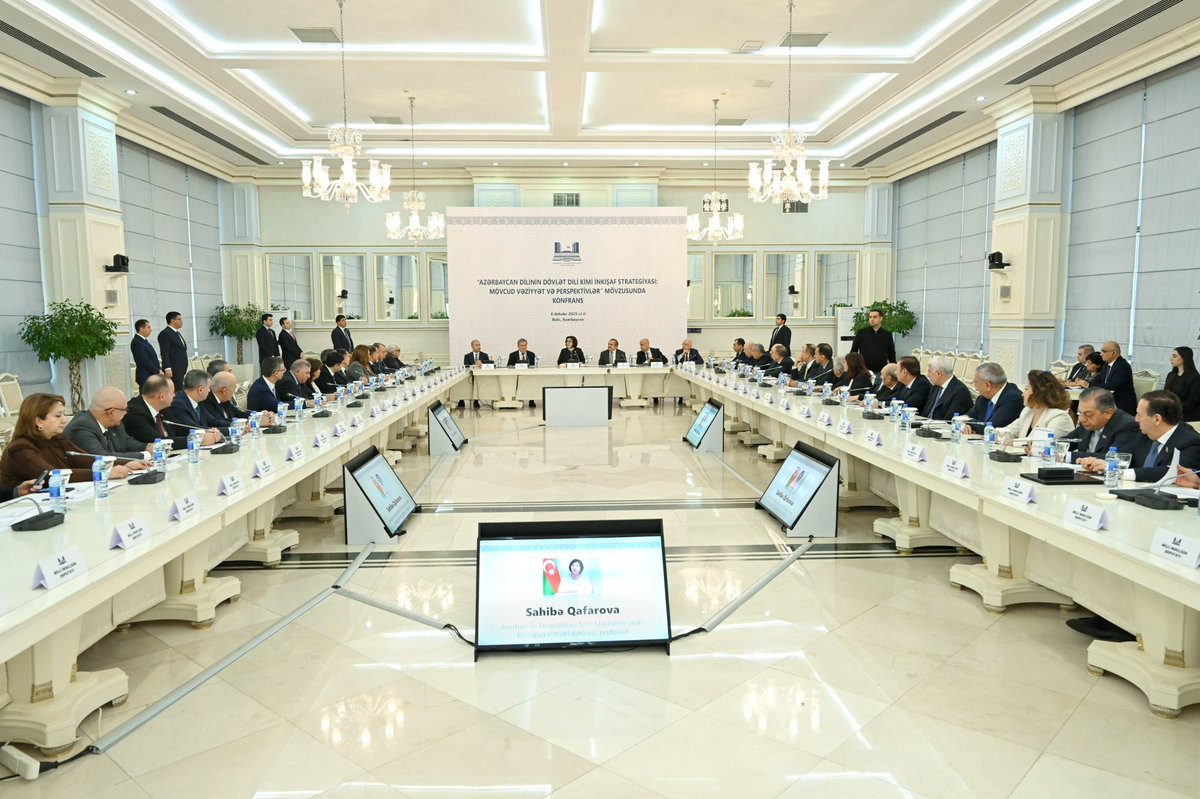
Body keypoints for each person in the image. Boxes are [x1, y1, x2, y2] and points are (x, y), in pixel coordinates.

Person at [0, 393, 135, 486]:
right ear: (38, 421)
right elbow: (52, 476)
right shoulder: (20, 449)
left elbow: (86, 459)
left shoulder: (57, 439)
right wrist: (102, 473)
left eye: (64, 414)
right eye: (58, 415)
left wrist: (127, 463)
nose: (64, 420)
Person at [1079, 391, 1200, 483]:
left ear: (1156, 419)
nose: (1136, 419)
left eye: (1139, 415)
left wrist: (1119, 472)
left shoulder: (1190, 442)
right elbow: (1122, 455)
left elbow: (1172, 472)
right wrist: (1098, 462)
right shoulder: (1144, 436)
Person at [63, 387, 151, 459]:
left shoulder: (114, 424)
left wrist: (148, 447)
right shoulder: (81, 428)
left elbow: (127, 442)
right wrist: (145, 455)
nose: (125, 413)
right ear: (111, 412)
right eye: (124, 410)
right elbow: (103, 458)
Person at [995, 371, 1075, 447]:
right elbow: (1009, 431)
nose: (1023, 394)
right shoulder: (1027, 411)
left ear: (1038, 393)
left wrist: (1013, 442)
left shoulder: (1060, 417)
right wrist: (993, 435)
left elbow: (1041, 442)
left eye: (1026, 389)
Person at [1063, 387, 1140, 461]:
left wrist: (1065, 456)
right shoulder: (1086, 422)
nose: (1081, 419)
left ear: (1108, 413)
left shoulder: (1127, 426)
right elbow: (1065, 442)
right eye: (1079, 413)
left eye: (1088, 414)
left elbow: (1113, 458)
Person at [164, 370, 227, 441]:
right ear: (200, 389)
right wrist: (225, 431)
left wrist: (232, 426)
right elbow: (193, 428)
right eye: (209, 387)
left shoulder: (199, 402)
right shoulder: (177, 403)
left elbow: (214, 421)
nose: (209, 391)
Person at [126, 374, 185, 448]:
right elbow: (158, 442)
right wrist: (193, 440)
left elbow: (180, 431)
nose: (174, 395)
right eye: (172, 393)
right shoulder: (134, 413)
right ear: (162, 396)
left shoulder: (164, 408)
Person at [967, 362, 1023, 432]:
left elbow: (990, 428)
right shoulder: (984, 397)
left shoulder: (1013, 399)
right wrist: (967, 425)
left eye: (976, 382)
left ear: (987, 385)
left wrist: (968, 423)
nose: (974, 386)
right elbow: (969, 415)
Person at [920, 355, 972, 421]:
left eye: (929, 372)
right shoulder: (935, 387)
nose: (927, 375)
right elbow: (926, 412)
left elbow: (949, 420)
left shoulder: (960, 391)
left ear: (939, 373)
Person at [1096, 341, 1137, 415]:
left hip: (1121, 404)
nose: (1101, 354)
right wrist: (1086, 383)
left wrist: (1089, 385)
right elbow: (1098, 381)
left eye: (1104, 351)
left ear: (1114, 353)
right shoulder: (1105, 365)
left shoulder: (1122, 366)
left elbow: (1112, 386)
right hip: (1108, 401)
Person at [850, 309, 896, 373]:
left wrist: (893, 370)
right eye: (870, 317)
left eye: (875, 317)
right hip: (864, 371)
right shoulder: (861, 333)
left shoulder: (887, 334)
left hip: (882, 372)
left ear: (881, 318)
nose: (872, 319)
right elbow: (853, 351)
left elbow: (891, 354)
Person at [1164, 346, 1200, 422]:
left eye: (1174, 356)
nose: (1171, 359)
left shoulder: (1195, 377)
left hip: (1187, 414)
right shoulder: (1171, 375)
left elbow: (1191, 402)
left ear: (1184, 358)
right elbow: (1165, 394)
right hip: (1171, 411)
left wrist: (1172, 408)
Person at [157, 311, 189, 391]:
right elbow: (164, 352)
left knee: (179, 389)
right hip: (173, 369)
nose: (182, 321)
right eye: (179, 319)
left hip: (180, 368)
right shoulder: (165, 333)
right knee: (176, 390)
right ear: (172, 320)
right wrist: (167, 368)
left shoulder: (176, 333)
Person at [131, 318, 162, 386]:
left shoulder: (143, 340)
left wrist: (159, 369)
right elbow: (145, 361)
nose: (150, 329)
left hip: (151, 375)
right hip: (145, 376)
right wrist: (157, 371)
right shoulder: (137, 342)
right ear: (141, 329)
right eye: (148, 327)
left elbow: (152, 358)